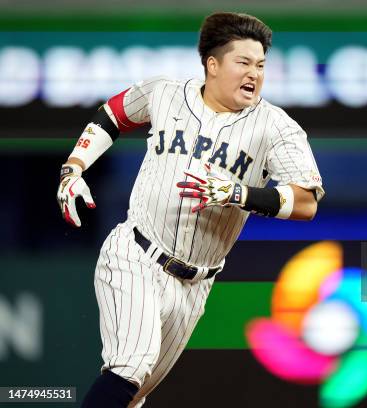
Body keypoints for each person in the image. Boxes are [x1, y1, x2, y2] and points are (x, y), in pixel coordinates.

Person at [56, 12, 324, 407]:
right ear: (212, 65)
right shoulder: (165, 93)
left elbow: (307, 202)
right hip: (137, 254)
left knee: (131, 395)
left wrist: (240, 194)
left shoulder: (276, 127)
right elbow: (113, 113)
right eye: (244, 62)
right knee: (129, 366)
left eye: (261, 65)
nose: (255, 73)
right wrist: (73, 167)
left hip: (195, 284)